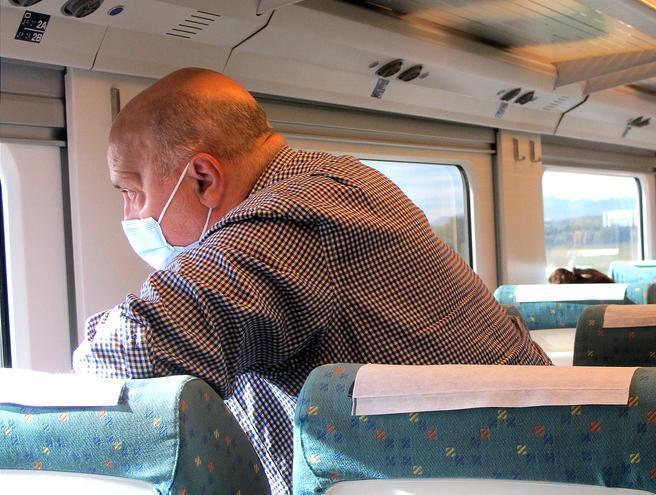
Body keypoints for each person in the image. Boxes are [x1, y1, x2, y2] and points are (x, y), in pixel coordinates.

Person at [72, 68, 550, 494]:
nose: (130, 215)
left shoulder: (293, 215)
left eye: (132, 192)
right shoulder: (338, 179)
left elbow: (131, 353)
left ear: (202, 179)